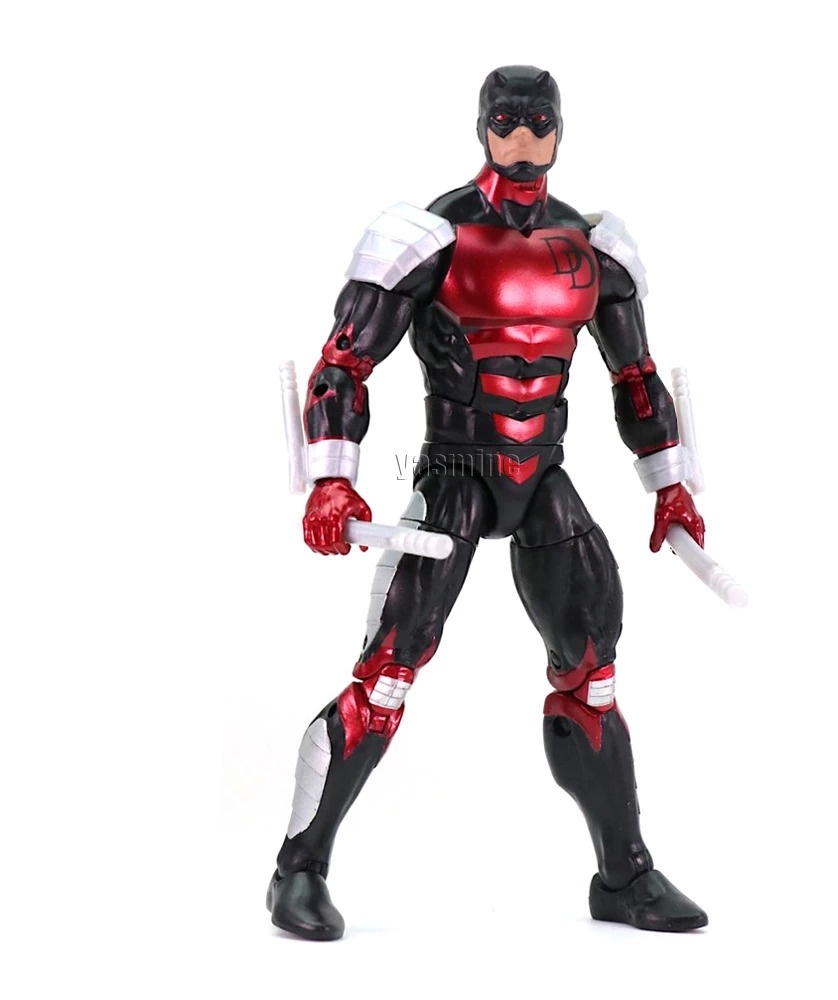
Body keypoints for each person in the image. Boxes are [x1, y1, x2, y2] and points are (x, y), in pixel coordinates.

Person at [267, 64, 709, 940]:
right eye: (506, 121)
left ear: (560, 130)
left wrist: (670, 483)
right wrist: (332, 478)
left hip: (543, 475)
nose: (523, 137)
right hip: (457, 473)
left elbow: (636, 374)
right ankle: (298, 871)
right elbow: (344, 363)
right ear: (482, 128)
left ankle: (624, 876)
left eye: (538, 121)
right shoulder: (429, 236)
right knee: (389, 672)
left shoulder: (594, 243)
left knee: (593, 672)